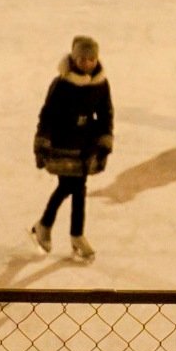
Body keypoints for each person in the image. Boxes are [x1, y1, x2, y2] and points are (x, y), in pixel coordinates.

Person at [29, 35, 114, 261]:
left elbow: (106, 114)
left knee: (75, 188)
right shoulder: (62, 84)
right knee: (72, 186)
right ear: (74, 58)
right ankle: (69, 232)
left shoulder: (100, 83)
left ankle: (49, 227)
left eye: (92, 59)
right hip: (62, 143)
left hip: (85, 144)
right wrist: (42, 143)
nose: (87, 63)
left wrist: (105, 141)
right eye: (83, 59)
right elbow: (47, 115)